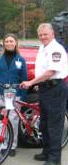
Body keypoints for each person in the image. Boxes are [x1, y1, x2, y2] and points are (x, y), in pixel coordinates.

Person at [20, 23, 68, 165]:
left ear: (52, 34)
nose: (42, 37)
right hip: (45, 88)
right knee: (44, 123)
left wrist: (31, 82)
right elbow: (42, 70)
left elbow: (50, 72)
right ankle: (46, 152)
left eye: (45, 34)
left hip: (55, 89)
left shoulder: (56, 49)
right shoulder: (42, 47)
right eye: (40, 35)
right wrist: (39, 85)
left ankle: (54, 159)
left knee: (54, 126)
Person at [0, 33, 28, 157]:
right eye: (7, 41)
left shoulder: (21, 60)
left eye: (11, 41)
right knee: (0, 120)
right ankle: (3, 144)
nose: (9, 43)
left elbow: (24, 79)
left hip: (15, 95)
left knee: (13, 120)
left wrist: (22, 97)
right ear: (3, 43)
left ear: (16, 43)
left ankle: (12, 145)